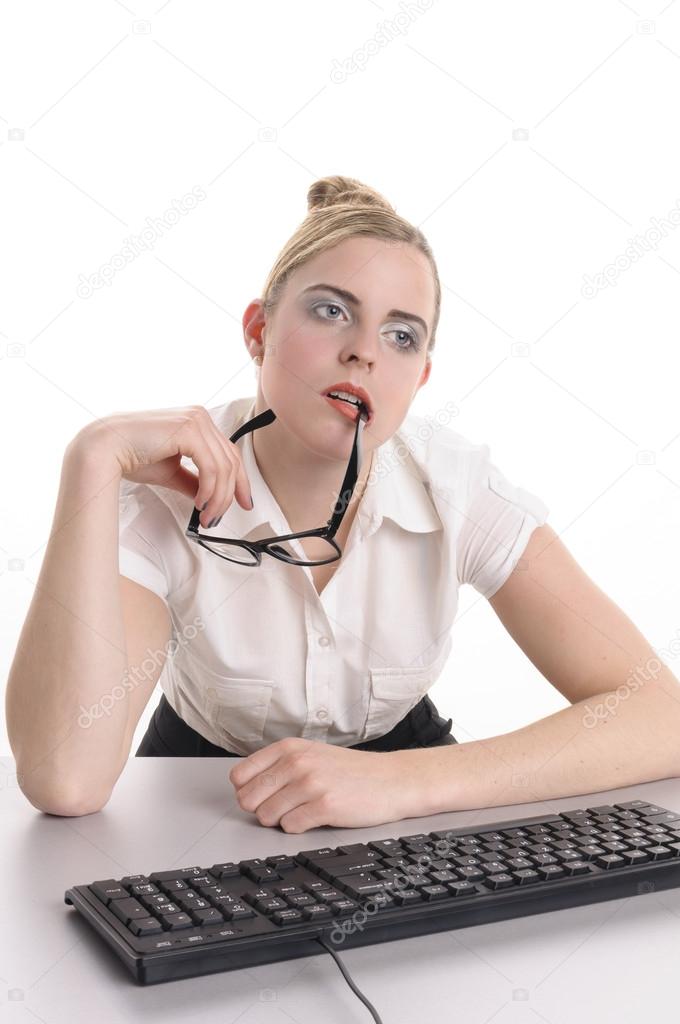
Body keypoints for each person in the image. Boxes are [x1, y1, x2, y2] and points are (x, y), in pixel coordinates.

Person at [10, 175, 676, 832]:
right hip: (199, 794)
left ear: (420, 377)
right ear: (258, 331)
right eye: (332, 311)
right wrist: (92, 458)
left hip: (407, 794)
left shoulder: (455, 485)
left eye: (401, 336)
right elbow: (65, 779)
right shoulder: (165, 494)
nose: (363, 352)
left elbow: (661, 714)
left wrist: (402, 782)